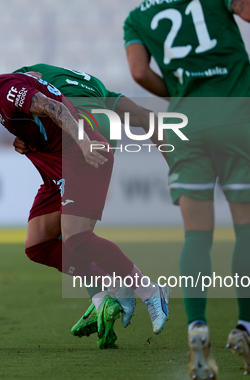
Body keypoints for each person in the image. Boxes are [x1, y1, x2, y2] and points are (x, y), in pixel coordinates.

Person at [123, 0, 250, 380]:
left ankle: (197, 325)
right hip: (235, 117)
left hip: (187, 124)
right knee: (249, 231)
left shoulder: (137, 16)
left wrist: (180, 92)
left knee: (196, 235)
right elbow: (247, 9)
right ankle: (246, 328)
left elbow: (138, 71)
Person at [0, 63, 170, 350]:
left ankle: (150, 291)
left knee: (77, 237)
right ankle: (115, 289)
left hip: (80, 154)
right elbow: (36, 79)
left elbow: (51, 105)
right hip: (54, 163)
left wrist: (81, 141)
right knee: (38, 245)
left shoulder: (4, 92)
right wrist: (27, 137)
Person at [10, 63, 164, 341]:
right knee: (42, 243)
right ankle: (104, 297)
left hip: (79, 137)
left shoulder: (24, 75)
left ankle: (136, 291)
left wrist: (22, 138)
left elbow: (29, 89)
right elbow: (145, 117)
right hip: (97, 136)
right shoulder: (97, 86)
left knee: (76, 236)